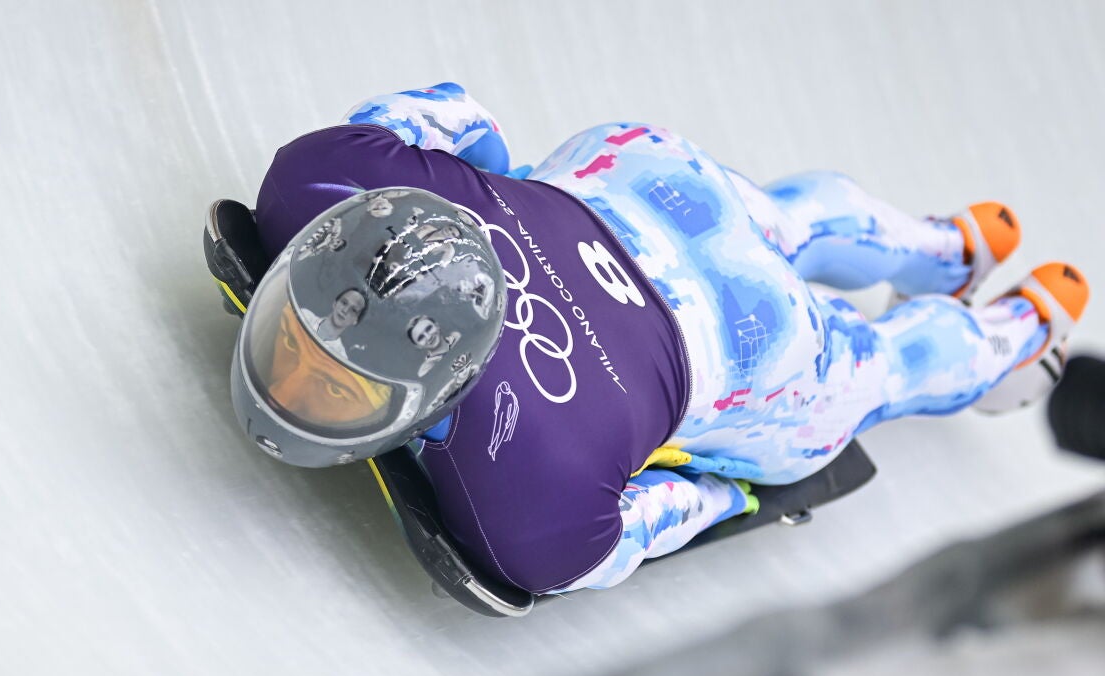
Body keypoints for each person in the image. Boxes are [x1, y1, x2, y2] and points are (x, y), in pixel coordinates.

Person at [209, 83, 1089, 594]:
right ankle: (952, 243)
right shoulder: (320, 178)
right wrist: (507, 185)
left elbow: (649, 524)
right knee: (781, 217)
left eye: (336, 387)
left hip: (755, 348)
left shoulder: (532, 510)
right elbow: (460, 114)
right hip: (642, 177)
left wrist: (729, 494)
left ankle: (1022, 328)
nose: (290, 380)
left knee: (882, 367)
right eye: (297, 336)